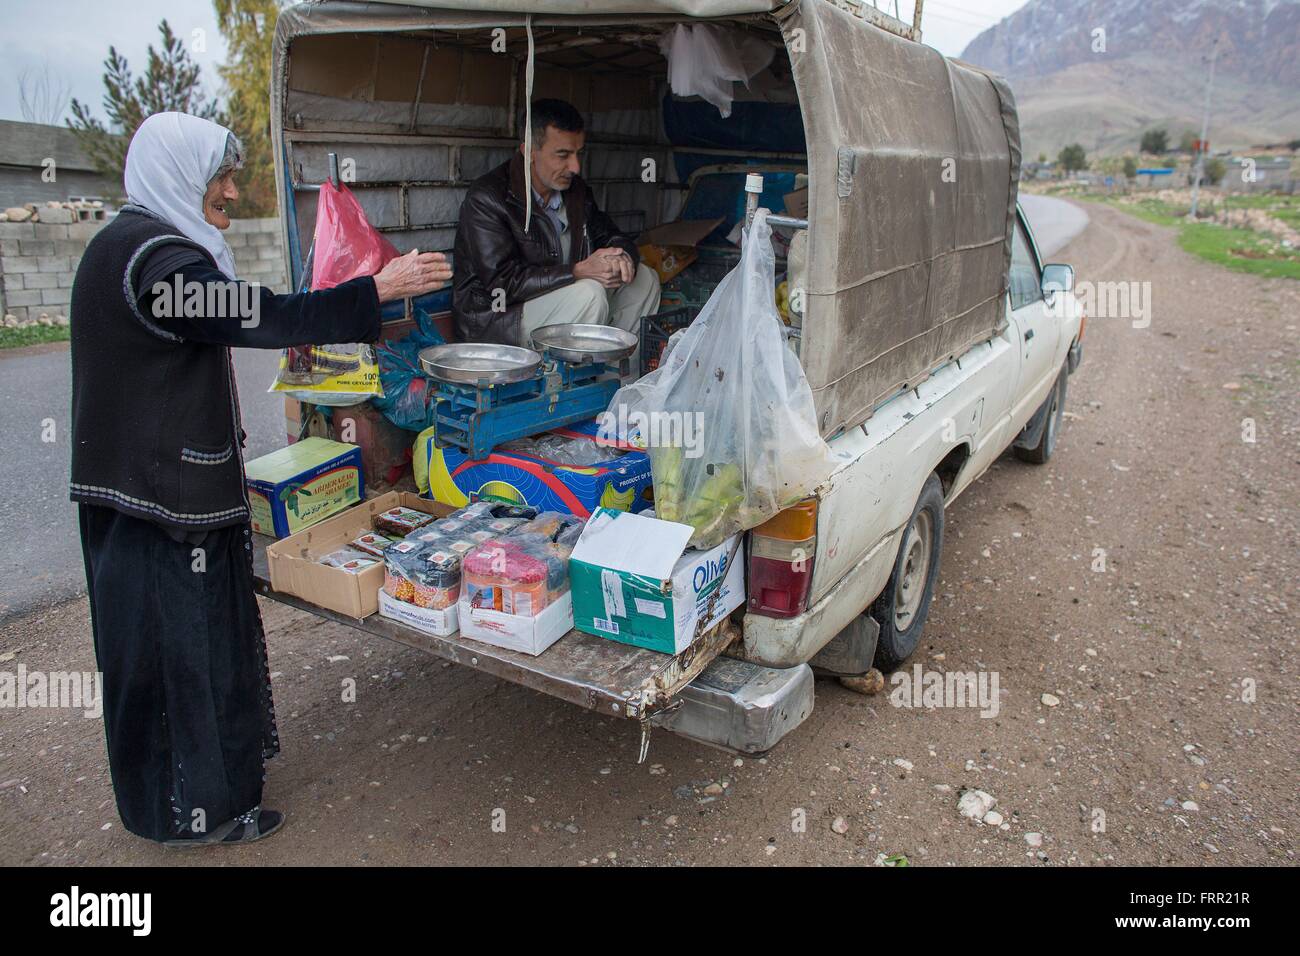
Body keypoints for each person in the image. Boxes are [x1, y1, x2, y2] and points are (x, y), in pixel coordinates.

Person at [68, 111, 451, 848]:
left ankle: (203, 799)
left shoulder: (132, 246)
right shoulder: (153, 261)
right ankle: (195, 813)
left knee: (186, 648)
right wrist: (373, 290)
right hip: (158, 505)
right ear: (182, 176)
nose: (235, 192)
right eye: (221, 177)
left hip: (148, 494)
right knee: (177, 653)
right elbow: (253, 317)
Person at [452, 98, 660, 368]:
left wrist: (620, 257)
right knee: (589, 292)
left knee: (644, 279)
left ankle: (616, 382)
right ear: (529, 152)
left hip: (564, 300)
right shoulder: (489, 198)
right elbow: (502, 285)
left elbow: (610, 234)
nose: (575, 167)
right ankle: (572, 391)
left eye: (578, 153)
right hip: (499, 321)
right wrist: (577, 271)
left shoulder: (576, 191)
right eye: (563, 155)